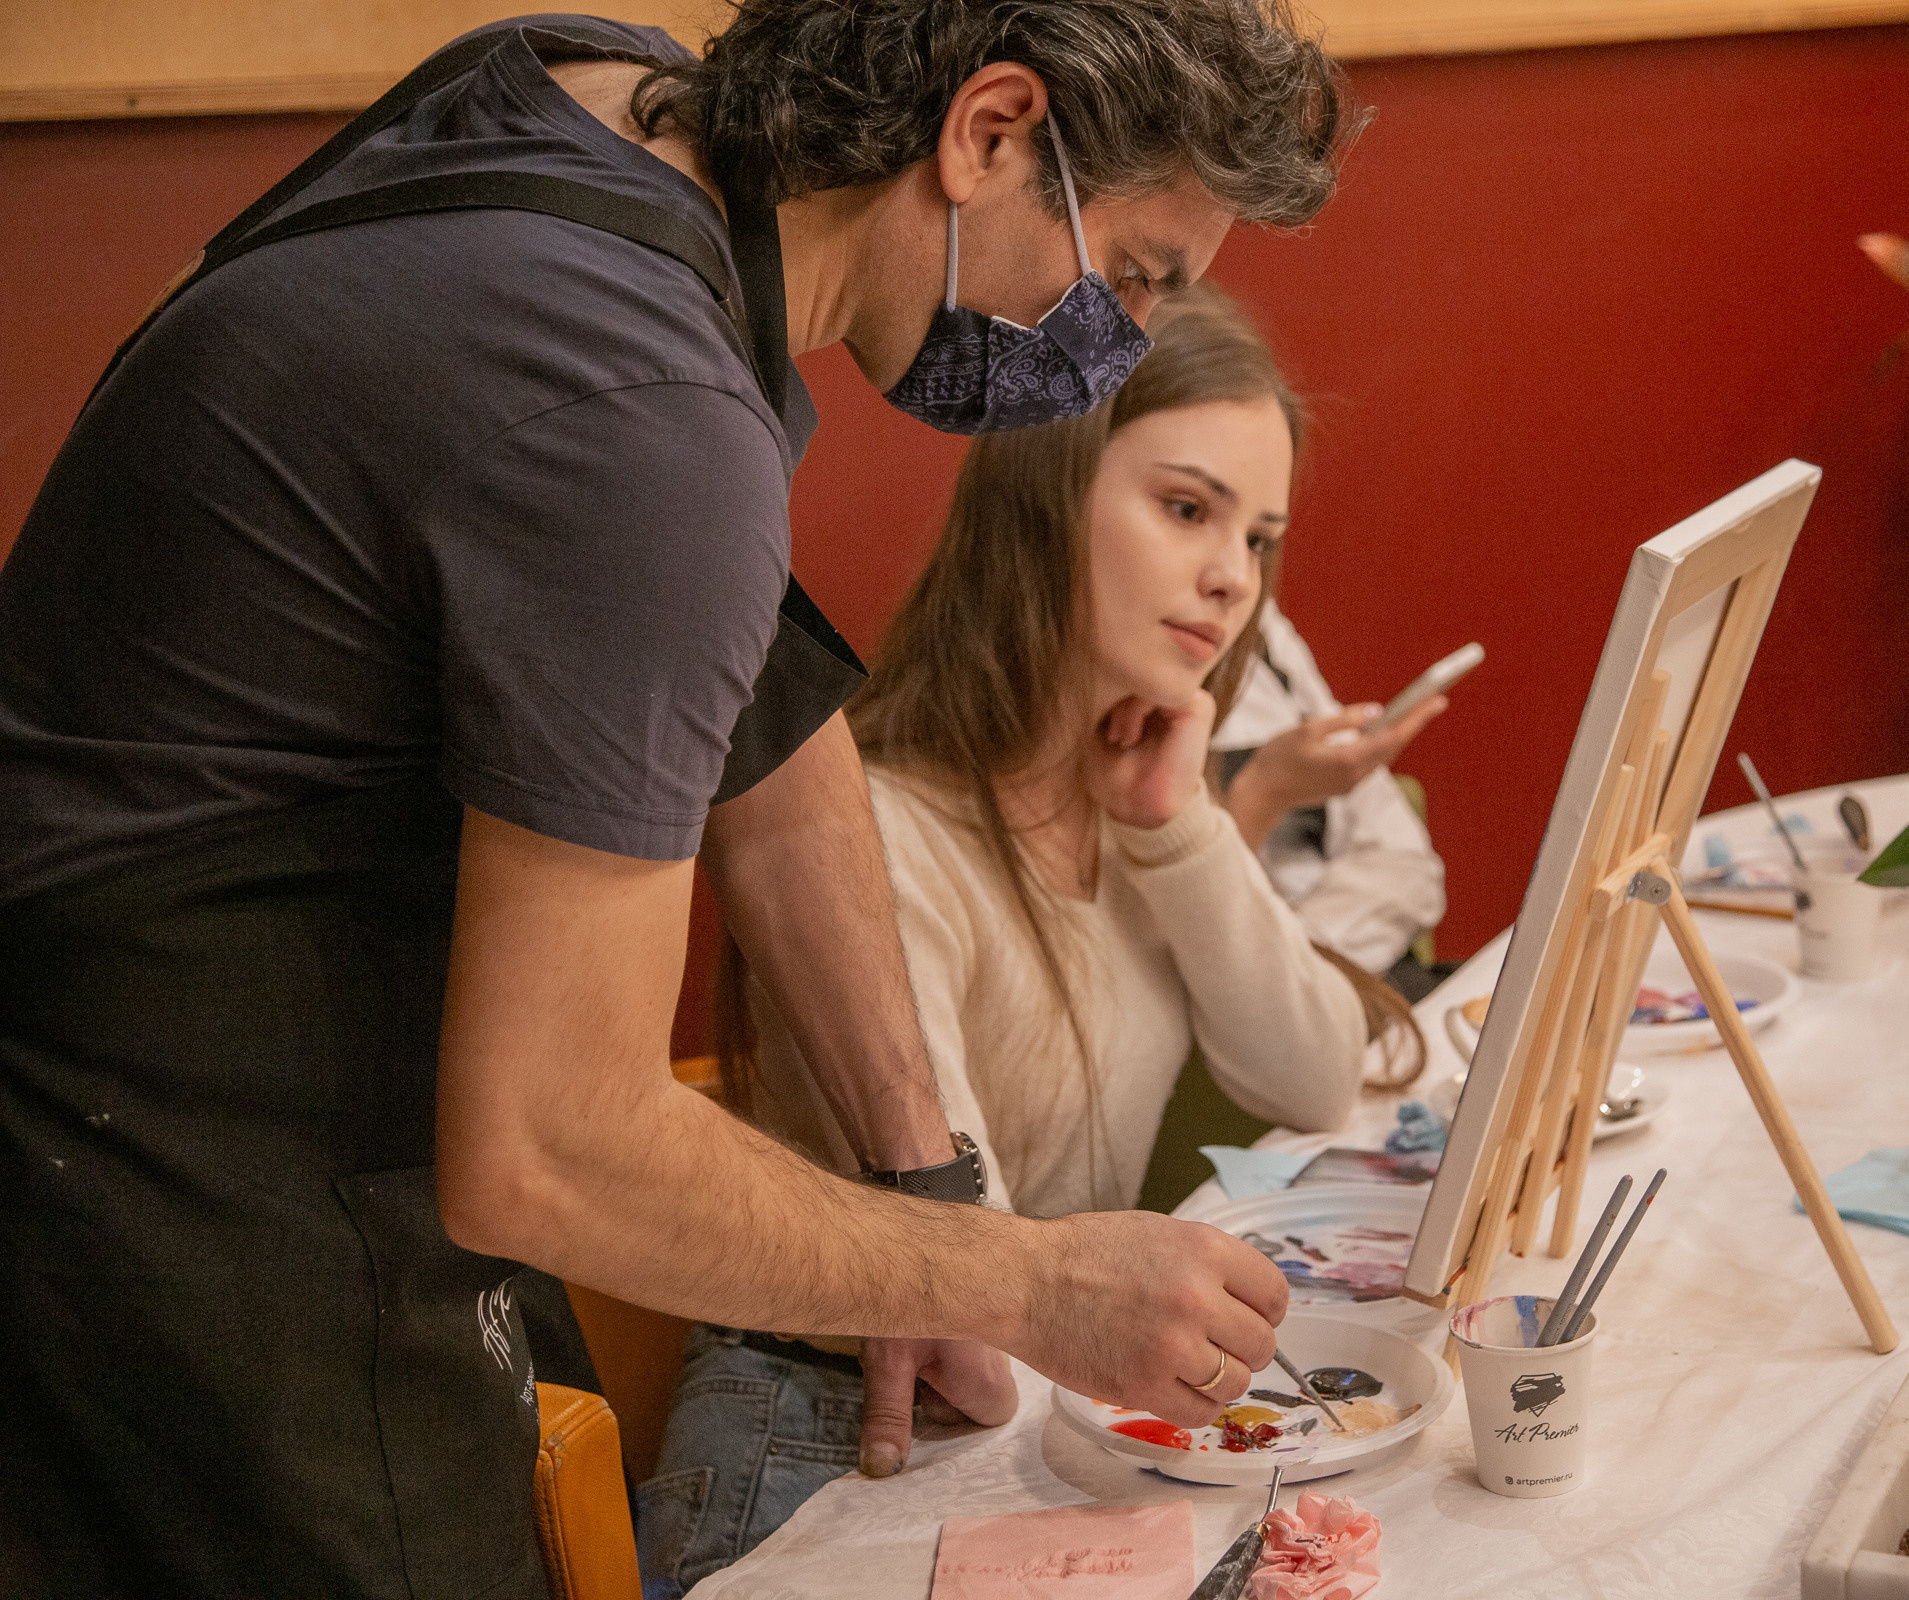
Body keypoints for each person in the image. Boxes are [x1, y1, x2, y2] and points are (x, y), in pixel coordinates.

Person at [0, 6, 1359, 1594]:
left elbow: (766, 742)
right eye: (1131, 273)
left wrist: (919, 1182)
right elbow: (549, 1147)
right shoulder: (641, 408)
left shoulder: (600, 101)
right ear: (988, 130)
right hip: (162, 1183)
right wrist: (1031, 1282)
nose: (1110, 340)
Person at [643, 286, 1413, 1588]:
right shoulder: (880, 832)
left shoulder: (1130, 801)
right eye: (1186, 508)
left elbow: (1317, 1074)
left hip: (1027, 1400)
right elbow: (975, 1291)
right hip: (831, 1437)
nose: (1233, 574)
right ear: (1048, 498)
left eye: (1259, 536)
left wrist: (1179, 828)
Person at [1214, 601, 1453, 995]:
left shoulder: (1264, 632)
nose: (1234, 574)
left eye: (1257, 543)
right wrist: (1262, 794)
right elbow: (1205, 968)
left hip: (1357, 980)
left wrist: (1299, 957)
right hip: (1276, 1023)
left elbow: (1413, 869)